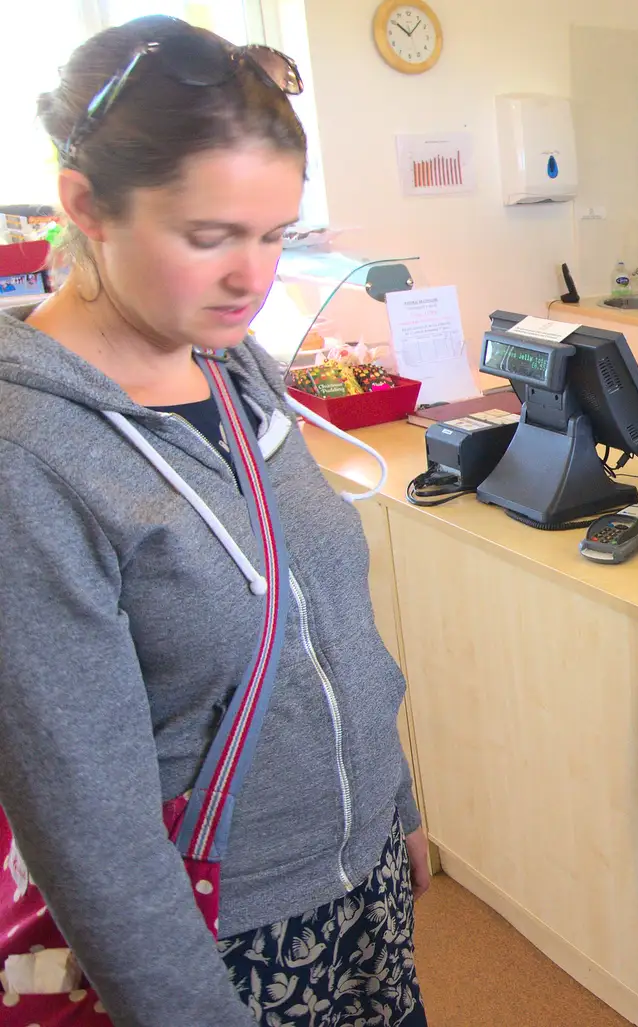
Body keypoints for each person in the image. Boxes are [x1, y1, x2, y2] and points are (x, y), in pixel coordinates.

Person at [0, 17, 427, 1026]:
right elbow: (85, 820)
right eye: (210, 237)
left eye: (274, 235)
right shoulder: (30, 457)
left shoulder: (232, 366)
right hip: (213, 937)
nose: (253, 276)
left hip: (356, 883)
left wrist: (392, 803)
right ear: (85, 208)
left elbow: (322, 616)